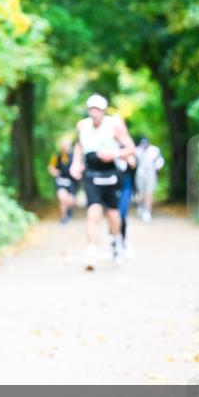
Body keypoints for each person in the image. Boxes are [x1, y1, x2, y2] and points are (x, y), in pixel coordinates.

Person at [69, 94, 135, 271]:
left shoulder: (114, 125)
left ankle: (116, 242)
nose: (94, 112)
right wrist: (76, 163)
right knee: (93, 211)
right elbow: (78, 146)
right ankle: (92, 250)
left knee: (113, 213)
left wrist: (115, 154)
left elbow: (130, 148)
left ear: (103, 110)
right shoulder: (82, 126)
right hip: (91, 174)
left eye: (97, 109)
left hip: (111, 173)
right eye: (91, 109)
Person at [48, 137, 78, 224]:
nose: (65, 147)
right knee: (62, 198)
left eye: (67, 145)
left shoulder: (74, 156)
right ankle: (64, 217)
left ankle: (69, 211)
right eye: (64, 145)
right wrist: (54, 172)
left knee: (70, 200)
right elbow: (51, 167)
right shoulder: (56, 156)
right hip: (61, 180)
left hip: (72, 181)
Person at [135, 136, 164, 222]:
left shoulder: (155, 150)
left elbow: (160, 162)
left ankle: (147, 211)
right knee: (141, 193)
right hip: (140, 174)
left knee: (149, 193)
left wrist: (156, 168)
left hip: (151, 173)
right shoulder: (137, 150)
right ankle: (141, 206)